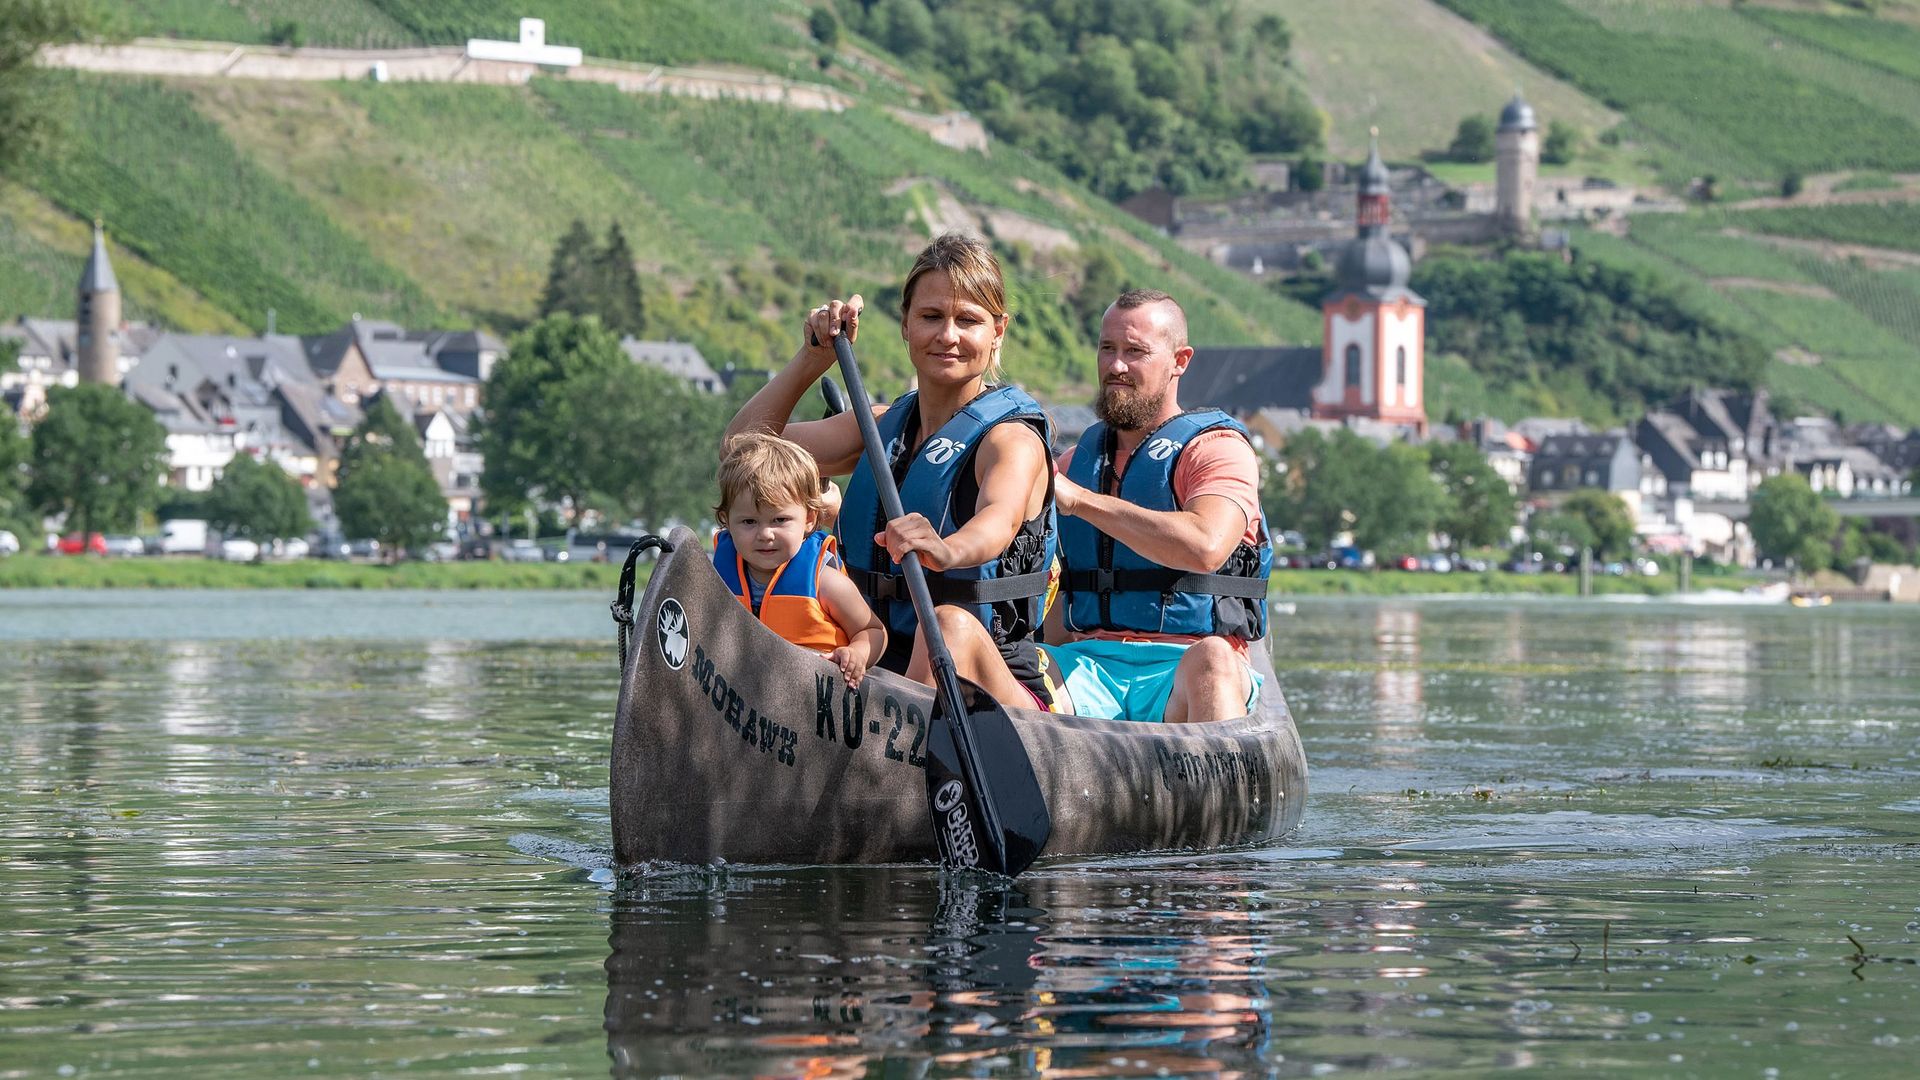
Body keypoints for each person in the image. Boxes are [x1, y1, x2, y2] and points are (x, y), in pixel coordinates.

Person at [722, 233, 1057, 710]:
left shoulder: (1012, 440)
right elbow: (742, 450)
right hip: (879, 669)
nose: (948, 336)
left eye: (968, 320)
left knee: (948, 625)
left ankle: (888, 750)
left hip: (989, 683)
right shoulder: (879, 427)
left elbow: (997, 523)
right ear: (905, 324)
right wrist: (812, 359)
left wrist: (946, 549)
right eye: (931, 317)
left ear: (997, 331)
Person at [1046, 289, 1273, 724]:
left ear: (1179, 361)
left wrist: (1081, 501)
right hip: (1087, 666)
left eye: (1135, 352)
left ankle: (1213, 765)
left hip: (1186, 664)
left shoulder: (1217, 450)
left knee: (1214, 659)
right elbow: (1060, 589)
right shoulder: (1076, 464)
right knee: (1008, 662)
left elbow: (1206, 547)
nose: (1116, 366)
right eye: (1107, 349)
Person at [713, 432, 885, 688]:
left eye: (780, 520)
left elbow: (873, 631)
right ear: (726, 520)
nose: (765, 534)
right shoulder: (714, 578)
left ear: (809, 519)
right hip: (740, 696)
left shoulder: (825, 582)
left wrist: (857, 653)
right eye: (749, 521)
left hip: (810, 697)